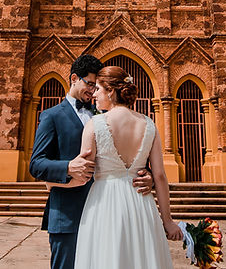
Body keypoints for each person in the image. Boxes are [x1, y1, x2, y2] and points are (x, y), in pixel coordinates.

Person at [29, 54, 154, 269]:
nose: (93, 90)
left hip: (106, 213)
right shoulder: (52, 116)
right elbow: (36, 164)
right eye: (89, 84)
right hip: (68, 216)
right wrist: (68, 166)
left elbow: (126, 152)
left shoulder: (105, 114)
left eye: (97, 86)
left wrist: (146, 174)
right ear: (74, 78)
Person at [74, 65, 182, 269]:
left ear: (111, 91)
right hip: (141, 204)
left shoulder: (95, 124)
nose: (94, 95)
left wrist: (53, 183)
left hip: (104, 204)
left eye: (98, 89)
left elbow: (82, 173)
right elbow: (159, 176)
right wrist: (167, 221)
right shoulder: (149, 124)